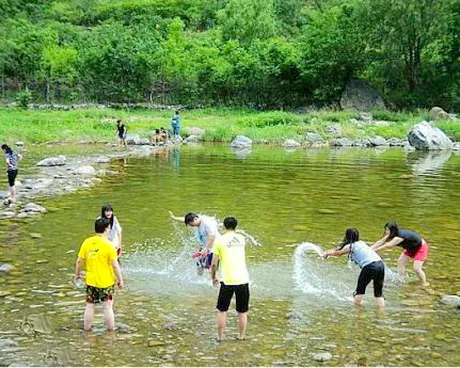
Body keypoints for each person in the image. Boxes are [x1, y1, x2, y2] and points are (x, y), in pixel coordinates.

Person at [74, 218, 124, 331]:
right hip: (106, 282)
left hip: (91, 281)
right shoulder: (109, 245)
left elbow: (79, 261)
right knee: (107, 307)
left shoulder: (87, 242)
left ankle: (87, 329)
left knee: (90, 306)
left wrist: (77, 274)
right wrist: (120, 279)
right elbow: (115, 265)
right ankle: (111, 330)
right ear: (106, 229)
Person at [324, 228, 385, 308]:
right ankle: (381, 314)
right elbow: (339, 249)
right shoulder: (361, 243)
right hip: (380, 264)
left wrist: (327, 254)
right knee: (378, 293)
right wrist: (327, 252)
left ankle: (358, 314)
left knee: (360, 291)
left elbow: (338, 253)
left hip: (369, 266)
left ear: (347, 236)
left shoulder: (351, 246)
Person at [211, 217, 250, 341]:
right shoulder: (242, 239)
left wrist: (213, 277)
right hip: (243, 280)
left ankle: (220, 337)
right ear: (236, 226)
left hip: (227, 281)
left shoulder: (219, 240)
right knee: (242, 312)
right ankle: (241, 336)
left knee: (222, 310)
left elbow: (213, 263)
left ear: (223, 226)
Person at [371, 222, 429, 286]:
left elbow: (388, 245)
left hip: (420, 247)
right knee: (400, 262)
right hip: (410, 248)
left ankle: (424, 283)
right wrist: (369, 249)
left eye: (387, 230)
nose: (386, 231)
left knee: (416, 268)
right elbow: (380, 242)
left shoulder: (399, 237)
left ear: (392, 230)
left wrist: (374, 250)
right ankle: (401, 279)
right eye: (386, 229)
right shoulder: (390, 234)